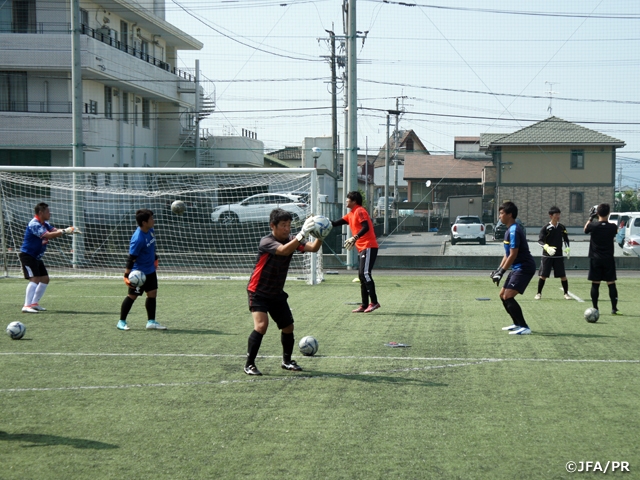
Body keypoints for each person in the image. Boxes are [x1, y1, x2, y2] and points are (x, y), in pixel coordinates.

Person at [244, 209, 322, 375]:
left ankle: (286, 361)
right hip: (258, 291)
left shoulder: (292, 239)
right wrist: (302, 233)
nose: (287, 229)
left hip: (276, 292)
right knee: (261, 326)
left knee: (288, 327)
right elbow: (284, 250)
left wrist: (321, 232)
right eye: (283, 225)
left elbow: (314, 248)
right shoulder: (267, 241)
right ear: (273, 226)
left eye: (289, 225)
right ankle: (249, 364)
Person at [19, 202, 81, 313]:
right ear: (40, 212)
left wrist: (69, 230)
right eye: (47, 211)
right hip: (28, 255)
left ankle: (34, 303)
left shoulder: (45, 224)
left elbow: (54, 231)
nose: (50, 213)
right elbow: (48, 235)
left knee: (45, 279)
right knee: (35, 278)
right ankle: (26, 306)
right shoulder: (34, 224)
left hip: (36, 257)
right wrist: (64, 231)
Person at [490, 201, 536, 335]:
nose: (499, 216)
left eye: (502, 213)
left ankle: (524, 326)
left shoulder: (515, 230)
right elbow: (507, 254)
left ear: (510, 215)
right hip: (517, 267)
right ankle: (517, 324)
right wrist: (499, 270)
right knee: (502, 295)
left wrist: (503, 271)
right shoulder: (509, 230)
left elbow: (513, 254)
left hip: (524, 267)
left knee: (508, 295)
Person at [331, 191, 380, 313]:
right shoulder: (351, 213)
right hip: (363, 247)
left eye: (348, 199)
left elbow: (366, 226)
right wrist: (317, 221)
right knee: (361, 276)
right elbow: (335, 223)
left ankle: (374, 302)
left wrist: (355, 237)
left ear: (354, 201)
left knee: (365, 274)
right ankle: (364, 305)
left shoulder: (360, 211)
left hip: (369, 246)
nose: (346, 201)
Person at [117, 209, 166, 331]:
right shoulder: (137, 238)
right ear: (144, 222)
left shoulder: (150, 231)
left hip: (150, 270)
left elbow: (151, 247)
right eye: (151, 219)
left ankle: (151, 322)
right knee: (132, 296)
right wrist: (126, 275)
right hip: (139, 273)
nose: (153, 220)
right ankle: (121, 322)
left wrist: (155, 259)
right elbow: (131, 257)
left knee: (152, 294)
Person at [584, 203, 620, 315]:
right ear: (608, 213)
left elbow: (585, 229)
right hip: (608, 258)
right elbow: (615, 231)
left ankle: (595, 308)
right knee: (611, 283)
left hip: (596, 259)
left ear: (597, 213)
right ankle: (614, 308)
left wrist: (591, 217)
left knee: (595, 283)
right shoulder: (613, 227)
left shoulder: (593, 226)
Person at [535, 206, 571, 300]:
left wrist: (567, 249)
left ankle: (566, 293)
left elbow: (566, 239)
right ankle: (538, 293)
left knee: (563, 276)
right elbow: (540, 241)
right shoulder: (545, 228)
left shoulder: (562, 227)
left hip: (558, 255)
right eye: (556, 215)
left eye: (559, 214)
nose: (558, 216)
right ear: (551, 216)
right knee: (543, 275)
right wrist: (547, 247)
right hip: (547, 256)